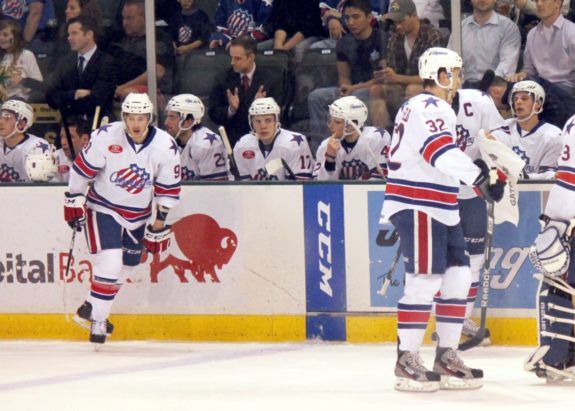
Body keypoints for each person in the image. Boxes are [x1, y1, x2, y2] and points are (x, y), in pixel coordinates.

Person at [381, 47, 506, 392]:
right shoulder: (427, 106)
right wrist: (480, 178)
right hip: (418, 202)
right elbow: (440, 153)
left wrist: (479, 176)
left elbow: (445, 156)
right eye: (453, 71)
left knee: (458, 276)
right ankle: (406, 359)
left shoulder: (434, 108)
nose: (459, 77)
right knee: (424, 280)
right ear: (437, 74)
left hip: (441, 204)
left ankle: (445, 355)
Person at [64, 92, 181, 345]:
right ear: (124, 117)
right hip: (102, 207)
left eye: (141, 118)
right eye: (131, 117)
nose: (136, 124)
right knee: (110, 262)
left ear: (149, 118)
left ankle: (90, 307)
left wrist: (158, 225)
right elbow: (82, 170)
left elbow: (168, 189)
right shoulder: (105, 136)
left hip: (138, 215)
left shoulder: (165, 145)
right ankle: (98, 321)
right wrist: (73, 197)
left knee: (128, 265)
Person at [444, 85, 506, 345]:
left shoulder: (478, 101)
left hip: (472, 193)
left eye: (454, 74)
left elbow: (498, 139)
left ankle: (461, 319)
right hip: (440, 194)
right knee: (445, 263)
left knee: (475, 261)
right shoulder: (425, 108)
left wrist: (494, 171)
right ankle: (449, 320)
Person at [526, 112, 575, 384]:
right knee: (561, 283)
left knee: (559, 283)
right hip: (568, 214)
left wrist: (556, 221)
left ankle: (559, 355)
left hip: (565, 213)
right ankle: (563, 355)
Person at [307, 0, 387, 145]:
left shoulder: (382, 38)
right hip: (352, 88)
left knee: (357, 96)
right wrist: (345, 88)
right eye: (347, 18)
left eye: (356, 17)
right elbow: (344, 76)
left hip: (373, 89)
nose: (351, 22)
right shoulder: (343, 43)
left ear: (369, 18)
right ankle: (321, 149)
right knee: (316, 97)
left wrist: (353, 89)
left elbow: (382, 78)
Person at [369, 0, 444, 129]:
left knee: (412, 89)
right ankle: (382, 136)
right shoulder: (394, 38)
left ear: (414, 15)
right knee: (376, 90)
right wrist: (385, 75)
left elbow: (433, 77)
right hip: (401, 87)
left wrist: (397, 78)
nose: (397, 26)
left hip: (431, 88)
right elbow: (392, 70)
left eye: (401, 21)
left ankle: (412, 133)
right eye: (395, 22)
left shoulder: (433, 36)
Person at [507, 0, 575, 128]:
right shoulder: (532, 34)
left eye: (543, 0)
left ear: (557, 4)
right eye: (537, 1)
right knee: (513, 85)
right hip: (540, 92)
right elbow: (528, 70)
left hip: (565, 93)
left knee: (536, 84)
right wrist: (519, 75)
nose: (539, 4)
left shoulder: (572, 32)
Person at [208, 35, 285, 148]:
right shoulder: (223, 78)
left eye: (237, 58)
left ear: (251, 57)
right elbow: (213, 113)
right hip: (234, 137)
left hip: (265, 137)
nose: (232, 62)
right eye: (231, 57)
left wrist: (260, 107)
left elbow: (280, 114)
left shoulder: (272, 78)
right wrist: (231, 110)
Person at [46, 15, 117, 124]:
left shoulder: (106, 62)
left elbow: (98, 99)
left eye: (74, 33)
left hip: (99, 125)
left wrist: (67, 103)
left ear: (89, 34)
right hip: (69, 127)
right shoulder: (65, 62)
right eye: (69, 34)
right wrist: (75, 94)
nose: (69, 38)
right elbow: (51, 96)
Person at [490, 80, 562, 179]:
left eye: (524, 98)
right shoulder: (502, 129)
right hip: (505, 191)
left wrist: (522, 176)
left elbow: (549, 176)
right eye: (515, 99)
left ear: (538, 104)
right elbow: (492, 168)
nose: (518, 102)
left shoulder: (553, 135)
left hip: (536, 192)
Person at [107, 0, 174, 103]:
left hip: (150, 91)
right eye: (123, 18)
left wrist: (122, 88)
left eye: (129, 18)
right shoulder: (118, 39)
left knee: (129, 95)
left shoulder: (159, 39)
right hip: (115, 88)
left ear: (145, 18)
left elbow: (158, 72)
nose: (125, 23)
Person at [233, 97, 313, 180]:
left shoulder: (294, 143)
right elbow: (243, 187)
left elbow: (301, 186)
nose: (263, 126)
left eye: (268, 120)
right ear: (251, 123)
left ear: (276, 121)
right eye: (257, 121)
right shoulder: (242, 145)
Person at [447, 0, 520, 89]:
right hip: (461, 88)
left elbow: (507, 65)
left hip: (494, 88)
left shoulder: (508, 28)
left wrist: (486, 87)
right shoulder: (460, 27)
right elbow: (449, 61)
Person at [314, 95, 390, 180]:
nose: (331, 126)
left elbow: (380, 181)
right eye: (330, 120)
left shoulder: (376, 138)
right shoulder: (326, 146)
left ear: (354, 124)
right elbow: (321, 189)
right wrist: (330, 159)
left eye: (337, 122)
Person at [164, 94, 229, 181]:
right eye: (167, 116)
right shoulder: (167, 142)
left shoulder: (205, 145)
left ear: (188, 122)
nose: (166, 122)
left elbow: (214, 189)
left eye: (172, 117)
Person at [0, 99, 56, 182]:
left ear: (22, 123)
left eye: (7, 118)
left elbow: (42, 188)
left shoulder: (36, 147)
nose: (1, 122)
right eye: (0, 117)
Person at [0, 19, 43, 102]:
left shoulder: (26, 55)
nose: (1, 38)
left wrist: (22, 80)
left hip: (19, 101)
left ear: (15, 36)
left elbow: (39, 84)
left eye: (5, 35)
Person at [209, 0, 274, 49]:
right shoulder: (225, 2)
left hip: (254, 48)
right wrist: (220, 39)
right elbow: (220, 27)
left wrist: (239, 43)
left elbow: (263, 30)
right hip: (230, 47)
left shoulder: (263, 2)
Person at [52, 116, 91, 183]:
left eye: (69, 137)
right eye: (61, 137)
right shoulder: (54, 158)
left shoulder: (99, 160)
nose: (63, 142)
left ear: (85, 139)